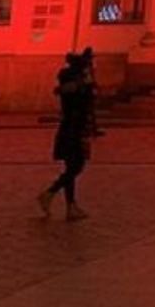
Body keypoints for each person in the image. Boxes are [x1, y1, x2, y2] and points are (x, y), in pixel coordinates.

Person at [38, 52, 96, 220]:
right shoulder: (79, 86)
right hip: (74, 129)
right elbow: (84, 105)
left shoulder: (72, 84)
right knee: (76, 166)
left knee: (71, 167)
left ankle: (70, 206)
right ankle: (49, 193)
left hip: (69, 128)